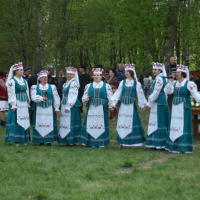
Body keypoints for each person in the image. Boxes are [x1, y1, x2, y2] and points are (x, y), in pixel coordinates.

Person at [164, 65, 200, 153]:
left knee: (183, 125)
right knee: (175, 124)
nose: (176, 74)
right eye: (176, 72)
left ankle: (184, 147)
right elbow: (167, 92)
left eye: (178, 72)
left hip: (184, 108)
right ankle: (174, 145)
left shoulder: (189, 83)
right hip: (175, 108)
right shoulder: (175, 83)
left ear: (183, 74)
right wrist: (169, 82)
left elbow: (196, 95)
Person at [111, 64, 147, 148]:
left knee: (131, 122)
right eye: (125, 71)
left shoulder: (136, 83)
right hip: (123, 106)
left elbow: (140, 95)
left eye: (127, 71)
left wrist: (143, 105)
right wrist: (113, 103)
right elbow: (118, 93)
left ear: (132, 72)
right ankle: (122, 142)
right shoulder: (122, 82)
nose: (126, 73)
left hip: (131, 106)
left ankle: (134, 142)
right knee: (122, 122)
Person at [79, 68, 113, 147]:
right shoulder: (88, 85)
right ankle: (90, 141)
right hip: (91, 108)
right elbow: (84, 97)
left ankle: (101, 142)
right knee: (90, 123)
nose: (96, 76)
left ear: (101, 76)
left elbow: (110, 97)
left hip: (102, 108)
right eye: (95, 75)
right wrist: (86, 99)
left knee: (101, 124)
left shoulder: (106, 86)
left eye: (98, 75)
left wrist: (111, 105)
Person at [31, 69, 60, 145]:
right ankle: (40, 140)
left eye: (46, 77)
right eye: (43, 78)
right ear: (39, 79)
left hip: (49, 108)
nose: (45, 79)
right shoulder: (34, 87)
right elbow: (33, 97)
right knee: (40, 122)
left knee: (49, 122)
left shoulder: (52, 87)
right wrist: (41, 98)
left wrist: (56, 107)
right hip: (39, 108)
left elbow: (56, 97)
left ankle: (49, 140)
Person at [145, 62, 170, 149]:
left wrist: (149, 102)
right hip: (161, 101)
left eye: (155, 69)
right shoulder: (161, 78)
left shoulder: (159, 79)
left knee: (157, 121)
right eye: (153, 69)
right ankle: (157, 142)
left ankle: (159, 143)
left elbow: (156, 92)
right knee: (158, 121)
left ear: (160, 70)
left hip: (158, 102)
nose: (154, 71)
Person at [5, 63, 31, 146]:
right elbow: (11, 93)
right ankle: (16, 139)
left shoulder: (24, 81)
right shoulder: (12, 81)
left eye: (22, 70)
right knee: (17, 119)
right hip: (16, 102)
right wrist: (13, 104)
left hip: (23, 103)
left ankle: (23, 139)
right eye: (21, 70)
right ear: (16, 71)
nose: (22, 71)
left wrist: (28, 103)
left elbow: (27, 92)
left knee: (24, 119)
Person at [58, 67, 82, 146]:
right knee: (65, 121)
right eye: (68, 74)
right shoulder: (66, 83)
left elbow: (73, 96)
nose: (68, 75)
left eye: (70, 74)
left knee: (70, 122)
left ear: (73, 75)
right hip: (65, 104)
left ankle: (71, 140)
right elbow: (63, 95)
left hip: (71, 105)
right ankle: (64, 139)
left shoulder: (73, 83)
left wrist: (68, 106)